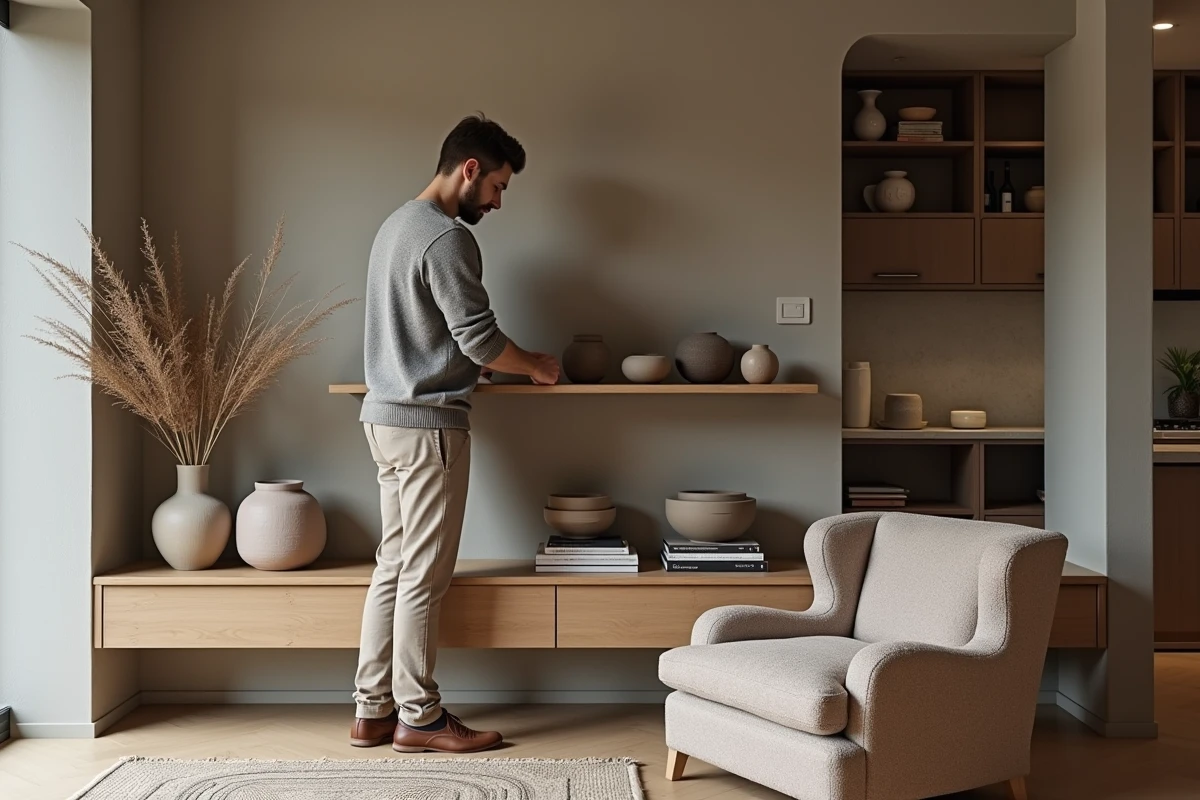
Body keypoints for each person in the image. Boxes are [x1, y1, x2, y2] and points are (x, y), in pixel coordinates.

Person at [350, 115, 560, 753]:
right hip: (427, 429)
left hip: (384, 419)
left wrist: (471, 365)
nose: (497, 202)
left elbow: (427, 331)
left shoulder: (394, 226)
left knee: (392, 566)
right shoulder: (446, 237)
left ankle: (372, 710)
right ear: (470, 169)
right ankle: (420, 717)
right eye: (497, 186)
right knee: (423, 576)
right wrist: (535, 366)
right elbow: (480, 337)